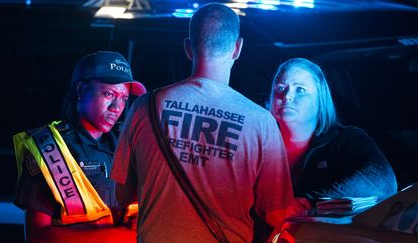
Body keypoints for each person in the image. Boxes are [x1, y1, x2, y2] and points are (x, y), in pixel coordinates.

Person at [111, 3, 294, 242]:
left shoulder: (144, 107)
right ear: (237, 48)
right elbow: (276, 214)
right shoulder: (261, 122)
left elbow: (121, 195)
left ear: (188, 48)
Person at [13, 51, 147, 243]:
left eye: (124, 98)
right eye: (109, 94)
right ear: (80, 90)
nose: (117, 107)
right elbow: (38, 237)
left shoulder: (130, 142)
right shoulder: (49, 146)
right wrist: (125, 237)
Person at [267, 57, 397, 207]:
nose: (287, 96)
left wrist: (305, 204)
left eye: (300, 89)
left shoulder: (346, 139)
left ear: (320, 99)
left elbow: (382, 181)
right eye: (280, 88)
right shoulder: (257, 145)